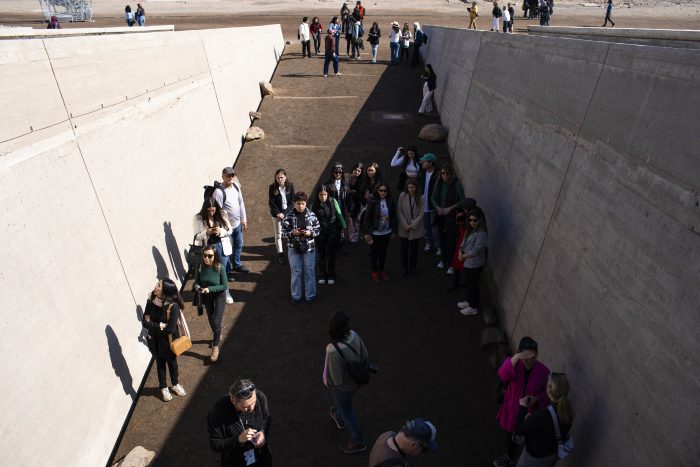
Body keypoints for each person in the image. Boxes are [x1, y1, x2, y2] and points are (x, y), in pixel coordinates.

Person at [493, 337, 551, 467]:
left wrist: (536, 399)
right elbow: (502, 375)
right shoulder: (514, 364)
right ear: (519, 353)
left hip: (530, 414)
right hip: (512, 409)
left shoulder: (543, 371)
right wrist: (517, 357)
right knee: (510, 436)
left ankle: (523, 460)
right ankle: (510, 457)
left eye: (533, 356)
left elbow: (547, 393)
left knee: (529, 439)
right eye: (526, 355)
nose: (530, 360)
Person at [323, 310, 369, 454]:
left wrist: (327, 382)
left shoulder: (332, 350)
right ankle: (339, 414)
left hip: (344, 388)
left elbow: (336, 380)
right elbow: (365, 355)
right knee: (343, 405)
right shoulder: (354, 335)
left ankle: (358, 442)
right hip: (357, 381)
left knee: (348, 412)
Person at [513, 373, 574, 467]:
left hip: (534, 459)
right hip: (551, 457)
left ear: (549, 390)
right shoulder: (567, 411)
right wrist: (531, 419)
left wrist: (523, 407)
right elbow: (548, 429)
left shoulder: (542, 415)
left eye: (547, 384)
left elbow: (519, 430)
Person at [207, 378, 272, 467]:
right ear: (233, 400)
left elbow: (266, 418)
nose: (251, 408)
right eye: (245, 406)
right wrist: (238, 439)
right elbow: (215, 444)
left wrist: (263, 432)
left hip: (261, 456)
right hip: (235, 461)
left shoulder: (260, 397)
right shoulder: (218, 412)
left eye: (253, 403)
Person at [142, 278, 187, 402]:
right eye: (157, 284)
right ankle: (163, 387)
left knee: (172, 364)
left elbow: (170, 329)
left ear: (165, 291)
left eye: (158, 285)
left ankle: (175, 384)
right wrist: (160, 325)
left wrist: (153, 324)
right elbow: (144, 321)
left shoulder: (173, 307)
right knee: (160, 364)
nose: (155, 286)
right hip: (154, 341)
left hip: (169, 342)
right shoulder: (151, 300)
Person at [281, 192, 321, 303]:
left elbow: (318, 230)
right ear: (294, 203)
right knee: (296, 272)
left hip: (309, 248)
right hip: (294, 249)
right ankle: (296, 296)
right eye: (298, 204)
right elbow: (283, 233)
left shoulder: (312, 215)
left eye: (303, 203)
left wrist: (310, 233)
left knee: (310, 271)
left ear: (306, 203)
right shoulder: (288, 216)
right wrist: (292, 233)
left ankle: (310, 296)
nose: (300, 206)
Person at [194, 197, 234, 304]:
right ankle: (211, 294)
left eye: (213, 210)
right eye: (209, 210)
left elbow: (230, 230)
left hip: (222, 246)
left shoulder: (222, 213)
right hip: (208, 248)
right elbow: (196, 237)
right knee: (210, 272)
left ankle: (226, 293)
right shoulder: (199, 218)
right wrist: (206, 233)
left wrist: (221, 231)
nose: (211, 213)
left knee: (223, 270)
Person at [195, 245, 228, 362]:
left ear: (215, 256)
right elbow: (197, 282)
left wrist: (210, 289)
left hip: (219, 296)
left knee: (215, 320)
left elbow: (224, 286)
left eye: (210, 256)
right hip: (206, 296)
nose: (207, 258)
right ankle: (217, 334)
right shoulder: (199, 267)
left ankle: (215, 347)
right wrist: (198, 287)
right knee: (210, 319)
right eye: (205, 255)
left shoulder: (220, 267)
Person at [213, 167, 249, 274]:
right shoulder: (218, 193)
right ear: (222, 177)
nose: (230, 177)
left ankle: (236, 264)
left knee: (238, 245)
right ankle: (227, 272)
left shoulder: (236, 186)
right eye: (227, 175)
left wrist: (244, 219)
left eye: (232, 175)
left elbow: (241, 203)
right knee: (227, 250)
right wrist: (221, 228)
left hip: (237, 224)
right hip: (226, 228)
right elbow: (216, 212)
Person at [431, 164, 464, 272]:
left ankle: (450, 264)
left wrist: (452, 208)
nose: (445, 176)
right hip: (440, 216)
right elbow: (433, 197)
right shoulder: (438, 183)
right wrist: (437, 207)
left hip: (451, 217)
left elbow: (462, 201)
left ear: (451, 174)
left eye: (447, 173)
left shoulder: (457, 185)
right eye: (443, 173)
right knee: (442, 239)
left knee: (451, 241)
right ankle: (443, 260)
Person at [362, 183, 397, 282]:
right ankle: (374, 272)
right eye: (380, 190)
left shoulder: (390, 201)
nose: (382, 192)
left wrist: (393, 230)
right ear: (377, 191)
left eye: (384, 191)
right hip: (375, 233)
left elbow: (394, 216)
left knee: (383, 252)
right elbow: (366, 217)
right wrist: (369, 232)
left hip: (386, 232)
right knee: (374, 253)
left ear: (387, 191)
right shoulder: (372, 201)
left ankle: (381, 270)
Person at [311, 185, 345, 285]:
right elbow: (310, 218)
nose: (323, 197)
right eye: (321, 194)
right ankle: (322, 274)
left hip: (332, 232)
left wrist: (344, 226)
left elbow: (339, 214)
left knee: (331, 254)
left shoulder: (333, 201)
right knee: (321, 254)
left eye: (325, 194)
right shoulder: (314, 204)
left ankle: (331, 274)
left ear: (328, 194)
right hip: (319, 233)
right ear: (317, 195)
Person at [456, 207, 488, 315]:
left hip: (475, 264)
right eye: (470, 220)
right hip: (468, 262)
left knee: (473, 285)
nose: (472, 222)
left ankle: (473, 307)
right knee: (469, 284)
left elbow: (476, 250)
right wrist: (460, 251)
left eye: (475, 220)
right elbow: (464, 241)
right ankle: (470, 302)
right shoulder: (470, 229)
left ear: (480, 220)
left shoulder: (482, 233)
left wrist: (463, 255)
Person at [368, 418, 438, 466]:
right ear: (413, 444)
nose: (421, 452)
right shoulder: (394, 464)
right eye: (424, 449)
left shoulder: (387, 434)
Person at [397, 178, 425, 277]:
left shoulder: (422, 198)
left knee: (414, 249)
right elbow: (399, 211)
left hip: (415, 228)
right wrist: (405, 225)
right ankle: (405, 268)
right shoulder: (402, 195)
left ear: (416, 187)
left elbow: (421, 215)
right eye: (408, 187)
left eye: (412, 187)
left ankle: (413, 267)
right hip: (404, 227)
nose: (410, 189)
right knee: (404, 249)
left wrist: (412, 225)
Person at [268, 168, 295, 265]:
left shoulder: (290, 186)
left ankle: (292, 251)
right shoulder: (272, 187)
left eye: (281, 177)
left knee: (290, 232)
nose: (279, 180)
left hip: (288, 214)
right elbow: (271, 202)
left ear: (285, 177)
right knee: (278, 234)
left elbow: (292, 202)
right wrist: (278, 213)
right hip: (277, 215)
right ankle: (280, 254)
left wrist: (285, 213)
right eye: (277, 178)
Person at [325, 162, 349, 255]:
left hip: (342, 207)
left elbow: (348, 196)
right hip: (332, 208)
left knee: (340, 228)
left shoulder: (344, 183)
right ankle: (332, 247)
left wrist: (348, 209)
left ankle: (339, 246)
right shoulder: (328, 184)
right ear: (333, 172)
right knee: (332, 228)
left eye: (340, 172)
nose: (338, 174)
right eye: (336, 172)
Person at [418, 153, 439, 254]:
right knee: (426, 226)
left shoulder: (438, 175)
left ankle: (438, 245)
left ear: (431, 163)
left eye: (424, 161)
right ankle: (429, 242)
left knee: (435, 228)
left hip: (433, 206)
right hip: (423, 204)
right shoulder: (422, 172)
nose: (422, 163)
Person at [347, 162, 365, 245]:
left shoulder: (362, 181)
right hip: (348, 203)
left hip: (357, 203)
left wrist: (353, 192)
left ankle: (354, 238)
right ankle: (351, 237)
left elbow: (362, 194)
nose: (357, 172)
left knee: (354, 221)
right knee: (349, 220)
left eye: (359, 171)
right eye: (356, 170)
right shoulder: (347, 177)